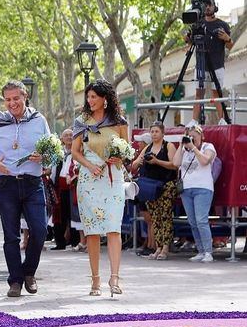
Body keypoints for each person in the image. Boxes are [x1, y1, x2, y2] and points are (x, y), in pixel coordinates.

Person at [0, 80, 50, 298]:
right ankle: (15, 281)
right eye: (8, 99)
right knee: (11, 236)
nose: (12, 103)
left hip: (32, 183)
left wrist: (46, 157)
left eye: (16, 98)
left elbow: (52, 151)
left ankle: (29, 272)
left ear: (25, 96)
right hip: (5, 183)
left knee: (40, 231)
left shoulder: (39, 120)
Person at [71, 79, 129, 297]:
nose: (90, 100)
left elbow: (127, 150)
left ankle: (114, 278)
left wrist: (119, 158)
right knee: (93, 231)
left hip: (113, 178)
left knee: (114, 227)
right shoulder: (81, 121)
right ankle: (95, 281)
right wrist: (89, 165)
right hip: (89, 178)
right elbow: (75, 151)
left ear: (105, 98)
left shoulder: (119, 121)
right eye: (88, 97)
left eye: (94, 96)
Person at [131, 122, 178, 260]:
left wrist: (157, 161)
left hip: (166, 185)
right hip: (151, 187)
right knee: (155, 217)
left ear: (163, 133)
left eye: (157, 131)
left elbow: (174, 165)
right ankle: (158, 247)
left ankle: (165, 248)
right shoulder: (147, 147)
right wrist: (138, 162)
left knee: (165, 217)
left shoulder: (168, 146)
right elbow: (134, 164)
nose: (154, 134)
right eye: (152, 132)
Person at [187, 0, 234, 125]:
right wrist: (187, 38)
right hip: (201, 64)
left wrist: (227, 38)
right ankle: (193, 121)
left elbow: (230, 46)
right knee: (199, 93)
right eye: (205, 5)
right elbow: (190, 43)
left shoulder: (222, 24)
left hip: (217, 65)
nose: (207, 8)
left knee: (216, 93)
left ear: (215, 6)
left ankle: (222, 120)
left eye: (210, 5)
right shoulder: (198, 24)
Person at [172, 124, 217, 263]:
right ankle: (201, 250)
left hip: (203, 188)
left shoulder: (208, 147)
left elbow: (205, 161)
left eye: (194, 137)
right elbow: (175, 163)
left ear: (201, 136)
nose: (191, 139)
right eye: (189, 137)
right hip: (187, 189)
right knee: (192, 222)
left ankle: (208, 252)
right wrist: (181, 145)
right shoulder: (185, 150)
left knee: (201, 221)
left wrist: (193, 147)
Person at [51, 129, 76, 250]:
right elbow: (54, 169)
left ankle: (75, 241)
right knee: (59, 215)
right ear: (62, 138)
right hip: (60, 186)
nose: (69, 137)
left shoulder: (77, 151)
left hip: (73, 185)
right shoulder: (58, 153)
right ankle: (60, 242)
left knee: (73, 213)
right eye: (66, 135)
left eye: (71, 135)